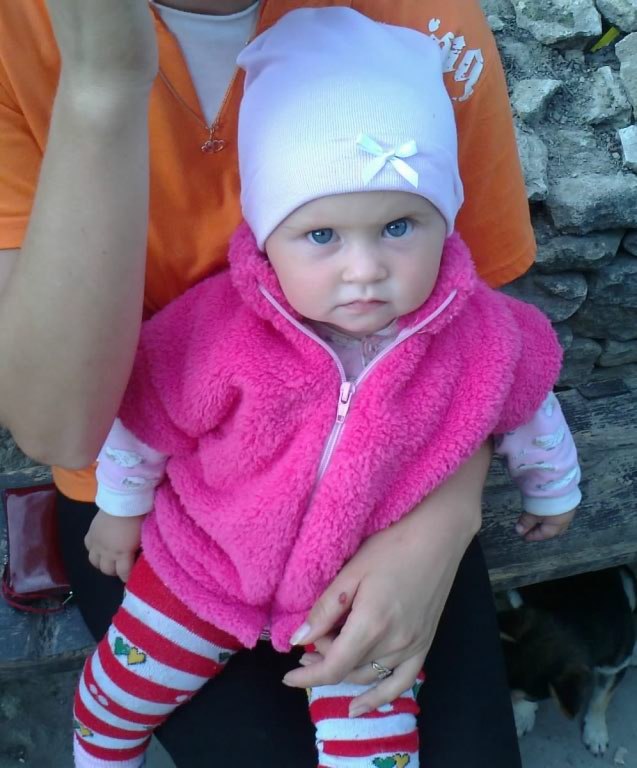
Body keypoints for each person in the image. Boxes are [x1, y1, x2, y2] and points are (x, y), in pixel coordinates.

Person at [0, 1, 554, 766]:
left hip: (389, 497)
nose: (361, 271)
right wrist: (103, 84)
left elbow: (475, 346)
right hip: (167, 523)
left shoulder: (421, 19)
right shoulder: (19, 32)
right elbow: (60, 430)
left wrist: (439, 525)